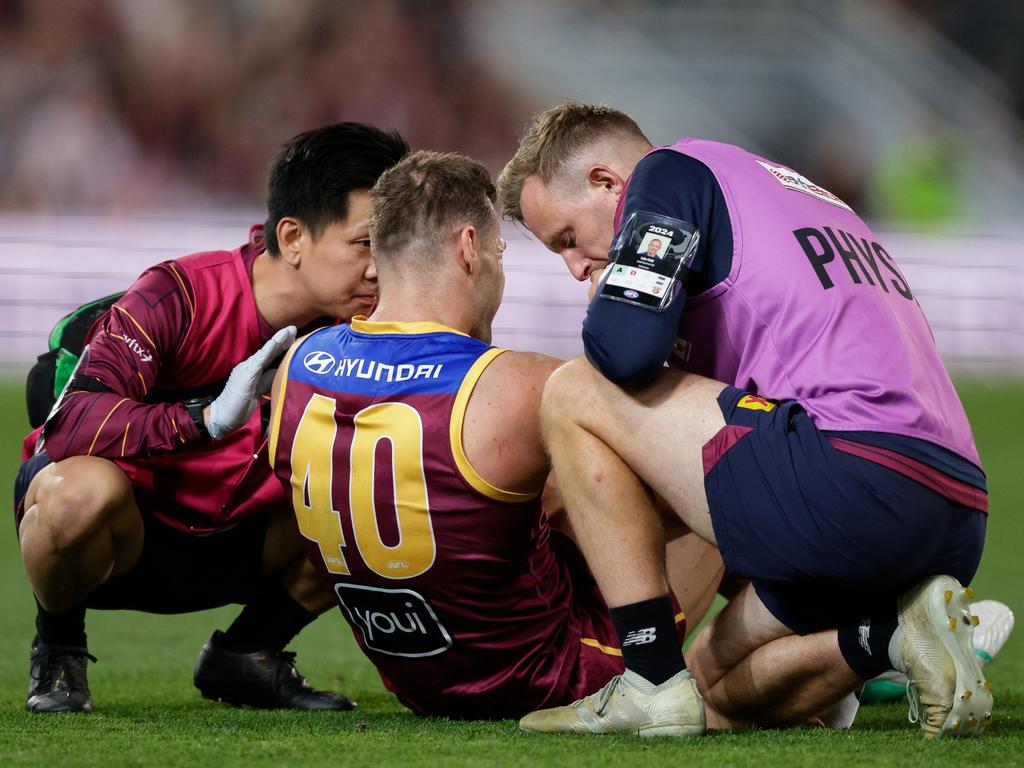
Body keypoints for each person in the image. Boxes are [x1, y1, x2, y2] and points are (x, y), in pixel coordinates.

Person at [497, 102, 991, 738]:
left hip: (850, 479)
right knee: (711, 697)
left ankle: (645, 677)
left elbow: (624, 347)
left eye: (567, 238)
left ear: (606, 181)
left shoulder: (665, 173)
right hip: (952, 509)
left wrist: (605, 301)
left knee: (573, 393)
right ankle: (893, 637)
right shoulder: (777, 188)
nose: (574, 265)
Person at [267, 150, 724, 719]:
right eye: (499, 250)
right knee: (720, 473)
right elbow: (659, 487)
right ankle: (774, 657)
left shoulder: (299, 363)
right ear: (469, 249)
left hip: (416, 680)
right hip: (550, 675)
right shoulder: (518, 385)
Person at [14, 123, 409, 713]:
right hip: (127, 542)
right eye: (364, 244)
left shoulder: (378, 326)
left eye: (393, 246)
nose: (382, 268)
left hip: (244, 544)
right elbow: (70, 422)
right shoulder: (178, 293)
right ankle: (59, 647)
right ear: (294, 237)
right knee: (74, 494)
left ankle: (247, 655)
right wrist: (207, 420)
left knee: (395, 488)